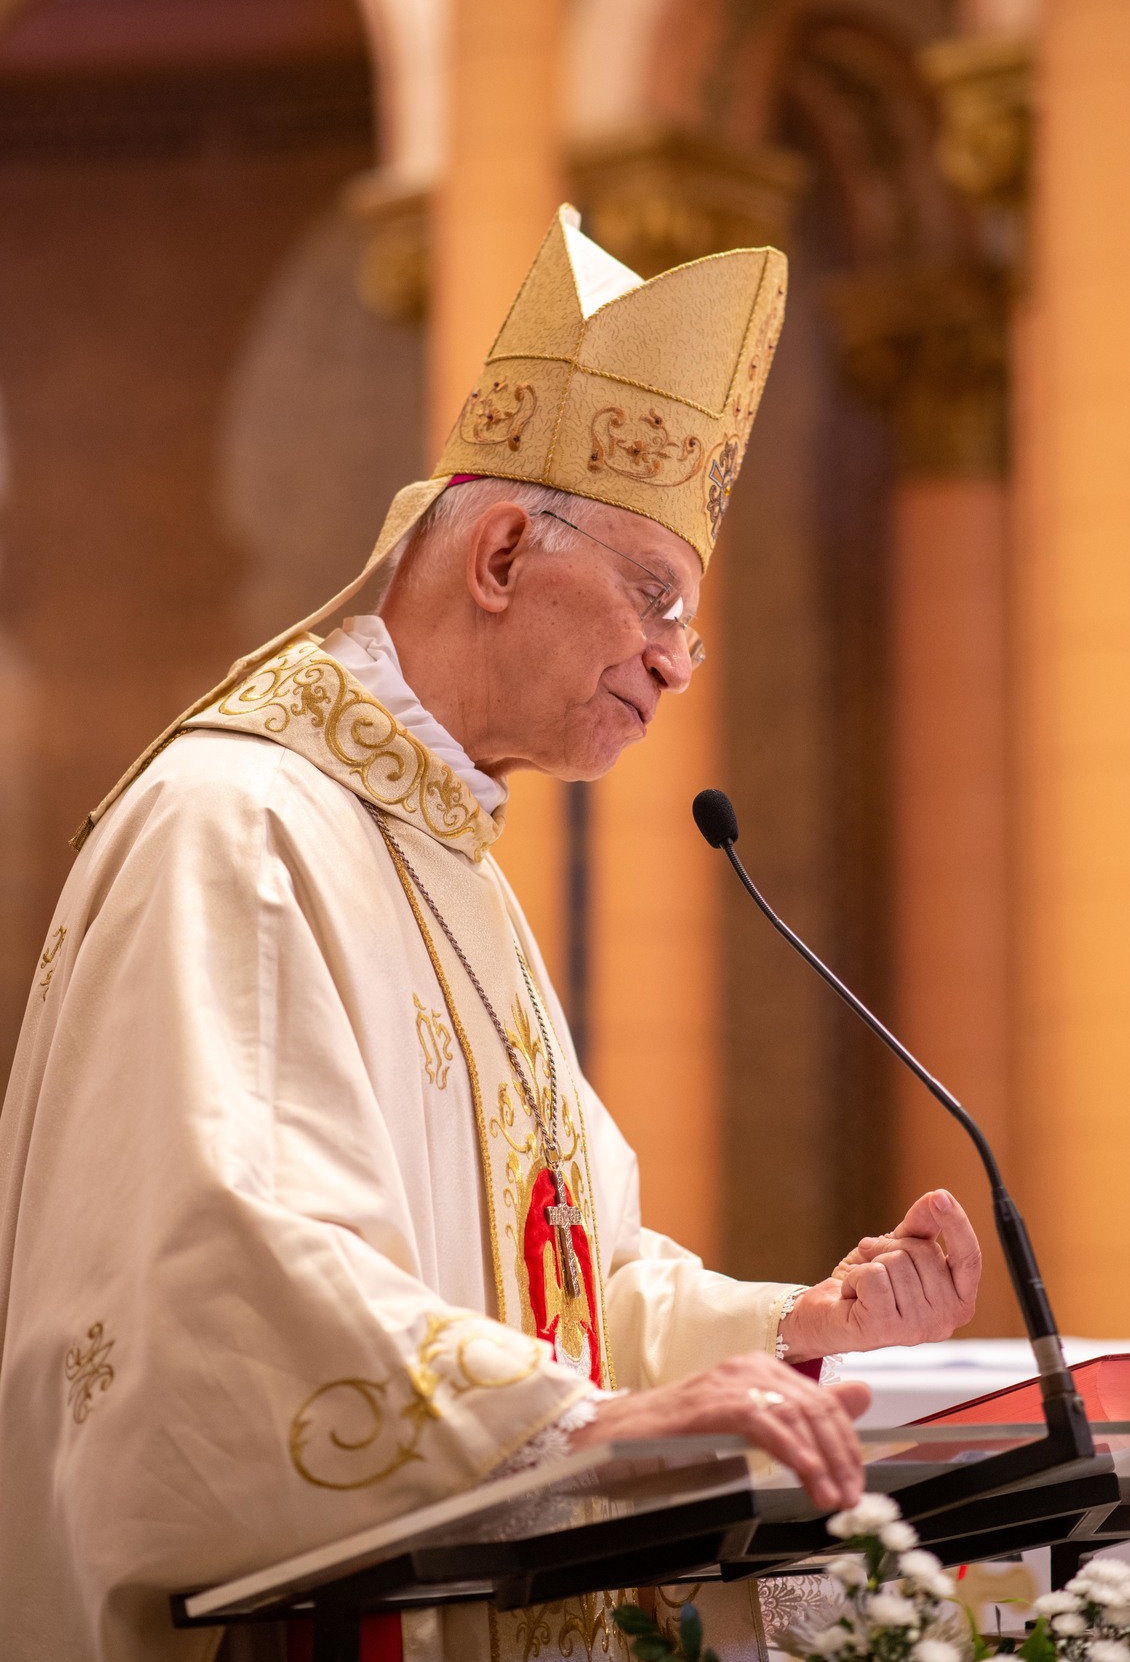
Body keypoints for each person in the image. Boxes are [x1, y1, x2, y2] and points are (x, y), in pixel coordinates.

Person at [0, 207, 980, 1662]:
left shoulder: (455, 873)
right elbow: (226, 1274)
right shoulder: (241, 826)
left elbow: (579, 1285)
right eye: (655, 598)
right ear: (505, 552)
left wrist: (791, 1333)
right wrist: (580, 1429)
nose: (673, 661)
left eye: (692, 628)